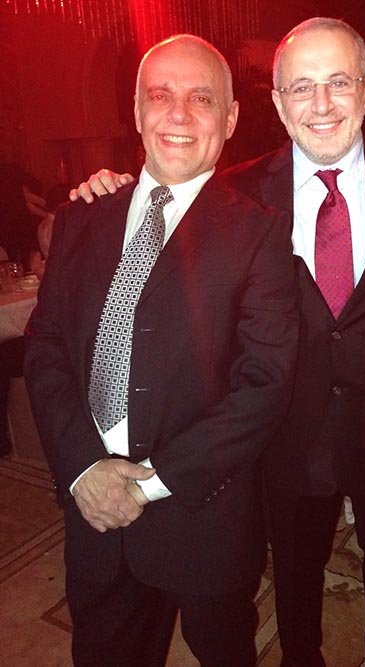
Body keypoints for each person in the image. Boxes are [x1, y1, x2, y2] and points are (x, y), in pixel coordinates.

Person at [71, 18, 365, 667]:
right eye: (301, 87)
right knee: (296, 592)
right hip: (284, 438)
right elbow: (164, 199)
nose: (321, 104)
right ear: (276, 102)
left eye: (338, 82)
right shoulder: (237, 186)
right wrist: (111, 189)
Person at [24, 34, 298, 667]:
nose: (178, 113)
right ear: (136, 110)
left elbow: (265, 381)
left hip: (204, 518)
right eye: (160, 95)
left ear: (230, 118)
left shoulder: (258, 234)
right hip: (94, 514)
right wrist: (83, 470)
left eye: (201, 98)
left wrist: (147, 486)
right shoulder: (81, 218)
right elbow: (47, 348)